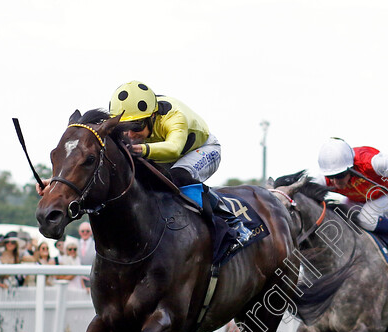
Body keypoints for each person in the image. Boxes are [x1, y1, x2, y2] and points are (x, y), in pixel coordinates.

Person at [37, 80, 251, 249]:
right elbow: (84, 161)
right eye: (125, 128)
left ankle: (231, 221)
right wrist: (56, 183)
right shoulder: (131, 121)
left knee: (179, 176)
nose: (130, 134)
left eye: (137, 127)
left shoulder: (175, 117)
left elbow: (175, 149)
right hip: (163, 155)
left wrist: (142, 150)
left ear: (152, 116)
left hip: (202, 150)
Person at [316, 137, 388, 272]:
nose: (334, 182)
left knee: (366, 219)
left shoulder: (372, 163)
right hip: (357, 200)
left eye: (339, 176)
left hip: (386, 194)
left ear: (350, 168)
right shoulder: (325, 179)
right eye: (330, 176)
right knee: (337, 222)